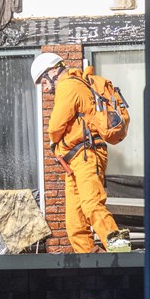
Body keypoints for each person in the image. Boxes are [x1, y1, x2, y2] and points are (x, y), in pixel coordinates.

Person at [31, 52, 131, 254]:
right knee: (75, 221)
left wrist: (54, 140)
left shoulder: (68, 85)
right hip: (75, 160)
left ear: (53, 71)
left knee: (92, 205)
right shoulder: (71, 85)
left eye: (43, 81)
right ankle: (90, 259)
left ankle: (122, 252)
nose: (45, 87)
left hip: (86, 155)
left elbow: (55, 126)